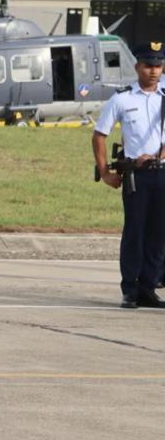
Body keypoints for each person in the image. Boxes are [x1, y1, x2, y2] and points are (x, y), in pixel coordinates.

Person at [93, 41, 165, 309]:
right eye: (148, 66)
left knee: (159, 233)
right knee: (135, 230)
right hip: (137, 175)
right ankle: (130, 289)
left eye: (158, 66)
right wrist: (104, 172)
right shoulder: (122, 98)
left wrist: (159, 155)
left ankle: (149, 287)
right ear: (137, 67)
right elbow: (100, 135)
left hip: (162, 172)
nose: (153, 71)